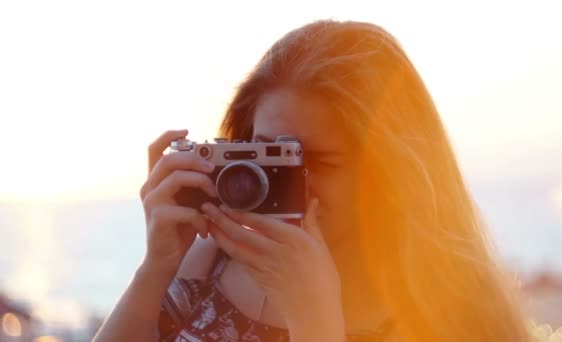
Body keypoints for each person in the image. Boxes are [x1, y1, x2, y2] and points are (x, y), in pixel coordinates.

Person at [93, 19, 531, 341]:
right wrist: (155, 269)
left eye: (315, 160)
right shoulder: (208, 262)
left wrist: (314, 319)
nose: (289, 179)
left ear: (392, 173)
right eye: (269, 153)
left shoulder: (445, 318)